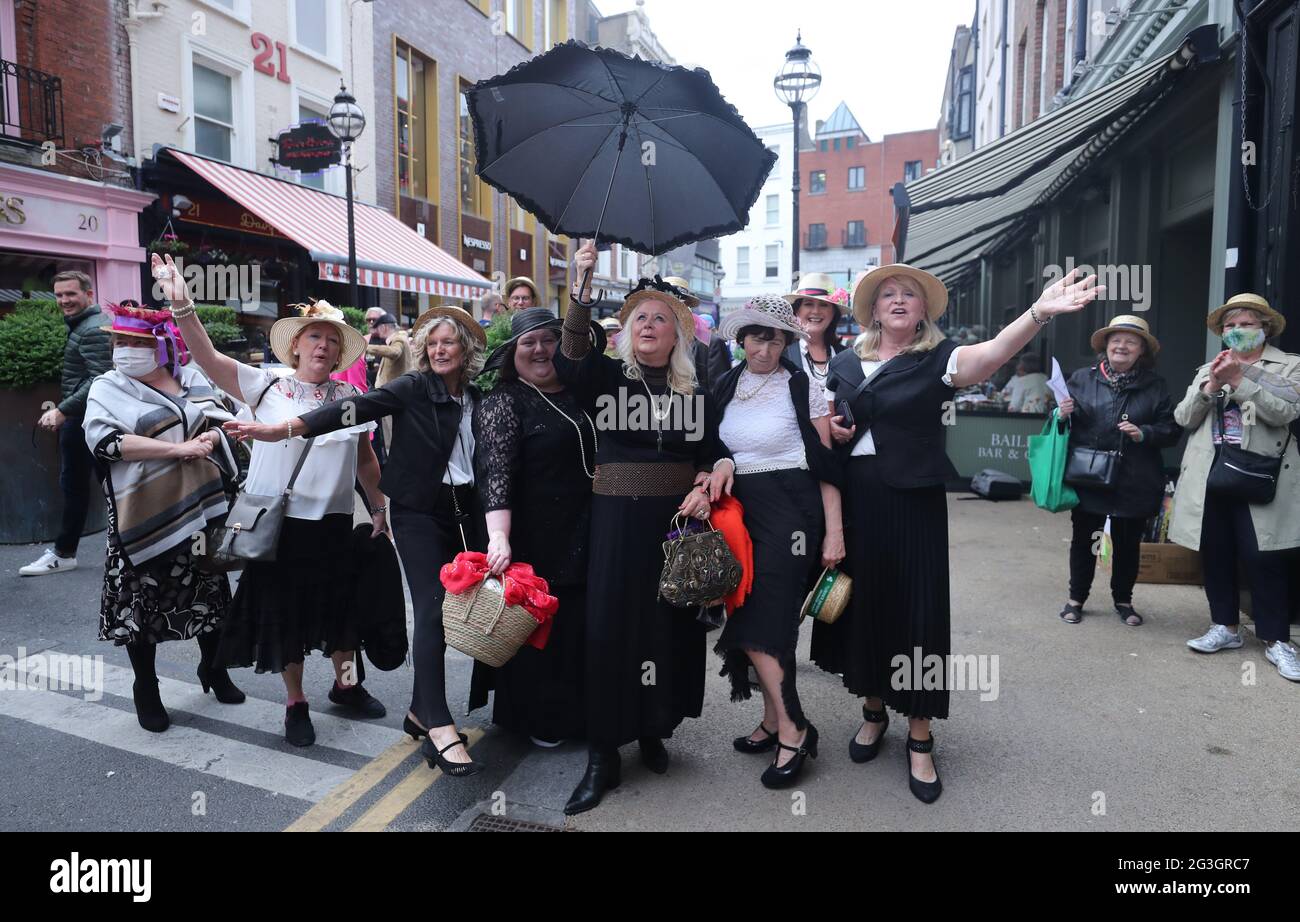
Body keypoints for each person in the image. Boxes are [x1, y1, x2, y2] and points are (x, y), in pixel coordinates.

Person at [814, 262, 1100, 803]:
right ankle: (873, 711)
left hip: (914, 502)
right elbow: (830, 430)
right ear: (873, 309)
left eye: (910, 295)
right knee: (864, 608)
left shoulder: (940, 360)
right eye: (888, 295)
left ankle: (920, 737)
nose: (898, 301)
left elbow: (992, 353)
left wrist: (1037, 313)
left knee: (917, 613)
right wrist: (834, 430)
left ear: (923, 311)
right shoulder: (846, 363)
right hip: (858, 499)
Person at [226, 302, 492, 771]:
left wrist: (376, 507)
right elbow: (348, 411)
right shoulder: (411, 386)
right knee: (430, 612)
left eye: (448, 341)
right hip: (413, 516)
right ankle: (435, 722)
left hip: (457, 516)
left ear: (466, 349)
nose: (438, 350)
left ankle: (395, 701)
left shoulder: (475, 397)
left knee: (360, 614)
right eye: (430, 343)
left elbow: (368, 457)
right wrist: (280, 429)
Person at [155, 254, 390, 747]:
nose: (323, 346)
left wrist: (380, 507)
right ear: (296, 346)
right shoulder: (266, 386)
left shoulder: (349, 400)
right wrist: (182, 304)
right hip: (280, 524)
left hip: (334, 523)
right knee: (288, 616)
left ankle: (347, 688)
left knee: (341, 615)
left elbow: (366, 459)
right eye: (314, 337)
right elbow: (207, 357)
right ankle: (296, 703)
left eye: (331, 339)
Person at [556, 242, 723, 815]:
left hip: (673, 528)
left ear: (678, 334)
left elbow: (710, 449)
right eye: (639, 319)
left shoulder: (691, 391)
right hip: (615, 526)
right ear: (625, 333)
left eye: (661, 318)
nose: (649, 325)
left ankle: (653, 728)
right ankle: (602, 753)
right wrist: (581, 285)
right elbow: (570, 354)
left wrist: (708, 475)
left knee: (665, 630)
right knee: (609, 632)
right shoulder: (605, 380)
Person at [84, 301, 244, 731]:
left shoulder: (190, 378)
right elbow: (106, 442)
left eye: (135, 342)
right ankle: (146, 688)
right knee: (143, 604)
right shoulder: (107, 386)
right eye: (119, 341)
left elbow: (226, 419)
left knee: (208, 591)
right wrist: (176, 449)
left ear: (161, 346)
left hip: (203, 507)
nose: (124, 349)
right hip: (141, 514)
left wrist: (212, 434)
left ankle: (214, 668)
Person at [708, 294, 844, 789]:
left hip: (792, 510)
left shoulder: (801, 385)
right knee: (750, 615)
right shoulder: (725, 383)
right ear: (741, 338)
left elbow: (827, 465)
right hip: (742, 513)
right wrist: (722, 462)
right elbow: (714, 445)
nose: (764, 345)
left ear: (787, 341)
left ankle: (794, 727)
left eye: (774, 336)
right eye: (756, 334)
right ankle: (772, 722)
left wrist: (835, 531)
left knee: (766, 621)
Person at [472, 307, 602, 746]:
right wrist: (499, 537)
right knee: (539, 630)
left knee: (578, 627)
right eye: (529, 343)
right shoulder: (503, 401)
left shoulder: (580, 393)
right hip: (534, 533)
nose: (540, 349)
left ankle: (581, 715)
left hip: (586, 528)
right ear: (513, 354)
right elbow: (496, 474)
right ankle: (540, 719)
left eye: (549, 339)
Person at [1171, 294, 1300, 682]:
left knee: (1264, 557)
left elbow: (1285, 412)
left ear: (1264, 327)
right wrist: (1210, 385)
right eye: (1229, 326)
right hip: (1212, 474)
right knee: (1217, 553)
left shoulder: (1289, 365)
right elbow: (1184, 418)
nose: (1236, 331)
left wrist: (1240, 382)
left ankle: (1277, 640)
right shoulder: (1207, 367)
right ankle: (1224, 628)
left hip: (1259, 473)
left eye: (1245, 323)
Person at [1056, 315, 1179, 626]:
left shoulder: (1155, 385)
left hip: (1135, 477)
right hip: (1090, 474)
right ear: (1106, 346)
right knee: (1085, 539)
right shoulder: (1081, 379)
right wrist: (1060, 414)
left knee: (1127, 544)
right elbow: (1062, 424)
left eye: (1131, 342)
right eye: (1116, 340)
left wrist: (1144, 433)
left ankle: (1123, 601)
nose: (1122, 346)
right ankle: (1076, 599)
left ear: (1142, 351)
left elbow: (1171, 430)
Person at [22, 270, 113, 577]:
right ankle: (67, 552)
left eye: (71, 294)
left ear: (89, 294)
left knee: (84, 486)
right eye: (59, 295)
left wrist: (62, 411)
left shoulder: (91, 329)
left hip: (87, 419)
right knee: (97, 486)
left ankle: (64, 553)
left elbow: (99, 378)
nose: (64, 300)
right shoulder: (83, 325)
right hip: (85, 417)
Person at [783, 272, 850, 388]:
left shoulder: (847, 356)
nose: (816, 311)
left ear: (833, 313)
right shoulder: (783, 354)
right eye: (808, 304)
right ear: (797, 311)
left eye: (823, 305)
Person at [363, 312, 412, 464]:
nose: (377, 332)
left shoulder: (398, 338)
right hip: (391, 395)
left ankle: (397, 466)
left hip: (394, 396)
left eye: (378, 328)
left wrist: (366, 347)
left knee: (394, 435)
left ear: (384, 327)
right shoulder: (397, 339)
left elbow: (394, 353)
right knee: (392, 435)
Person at [665, 275, 728, 387]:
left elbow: (718, 392)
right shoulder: (649, 341)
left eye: (677, 304)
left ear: (686, 306)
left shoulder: (711, 343)